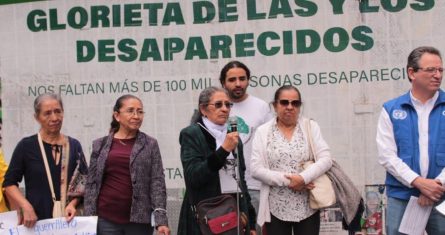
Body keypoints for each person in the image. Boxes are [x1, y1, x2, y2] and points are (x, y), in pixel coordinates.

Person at [376, 46, 445, 234]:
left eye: (440, 70)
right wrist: (419, 183)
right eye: (431, 70)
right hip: (402, 196)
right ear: (412, 72)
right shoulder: (391, 109)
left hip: (442, 196)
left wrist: (436, 186)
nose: (437, 75)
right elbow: (387, 156)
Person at [251, 85, 333, 235]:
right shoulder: (263, 132)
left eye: (295, 103)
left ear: (300, 106)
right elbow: (256, 169)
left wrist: (302, 178)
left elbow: (326, 159)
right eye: (284, 102)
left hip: (308, 206)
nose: (290, 107)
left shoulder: (310, 126)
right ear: (275, 105)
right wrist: (290, 181)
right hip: (275, 207)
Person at [84, 94, 170, 235]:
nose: (136, 116)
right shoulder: (100, 144)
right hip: (106, 219)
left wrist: (161, 221)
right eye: (130, 111)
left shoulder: (150, 144)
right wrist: (89, 219)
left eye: (140, 111)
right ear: (117, 116)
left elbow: (157, 182)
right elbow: (92, 183)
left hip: (139, 221)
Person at [177, 87, 256, 235]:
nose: (225, 109)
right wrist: (223, 150)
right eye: (218, 105)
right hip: (206, 216)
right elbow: (193, 177)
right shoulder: (192, 134)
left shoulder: (233, 137)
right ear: (203, 109)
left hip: (233, 214)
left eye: (228, 104)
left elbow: (241, 181)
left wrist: (250, 222)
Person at [3, 93, 87, 227]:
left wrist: (73, 204)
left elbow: (83, 184)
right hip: (37, 224)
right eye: (47, 113)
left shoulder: (74, 145)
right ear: (37, 117)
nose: (54, 118)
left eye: (58, 111)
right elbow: (9, 183)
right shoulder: (26, 146)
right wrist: (26, 206)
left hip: (68, 224)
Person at [219, 61, 273, 234]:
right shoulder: (216, 106)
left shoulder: (261, 107)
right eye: (232, 79)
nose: (238, 83)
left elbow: (271, 144)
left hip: (254, 185)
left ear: (248, 80)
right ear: (223, 83)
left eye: (242, 78)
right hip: (222, 188)